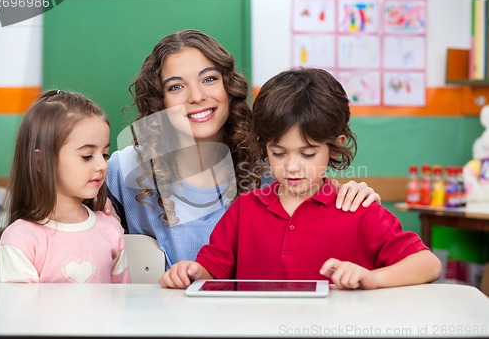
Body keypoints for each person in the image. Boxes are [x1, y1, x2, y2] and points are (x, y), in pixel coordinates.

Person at [106, 29, 382, 269]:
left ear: (230, 87)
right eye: (176, 86)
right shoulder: (128, 167)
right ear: (160, 100)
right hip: (163, 318)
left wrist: (354, 197)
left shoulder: (270, 164)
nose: (197, 96)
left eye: (209, 79)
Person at [159, 68, 442, 290]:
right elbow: (212, 269)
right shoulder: (245, 209)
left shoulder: (357, 208)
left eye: (307, 154)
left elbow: (428, 264)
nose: (292, 167)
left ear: (335, 145)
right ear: (264, 146)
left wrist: (372, 278)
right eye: (279, 152)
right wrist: (193, 272)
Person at [0, 90, 130, 283]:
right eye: (87, 156)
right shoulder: (21, 239)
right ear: (40, 160)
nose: (102, 165)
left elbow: (124, 301)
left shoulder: (110, 229)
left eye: (105, 155)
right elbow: (18, 311)